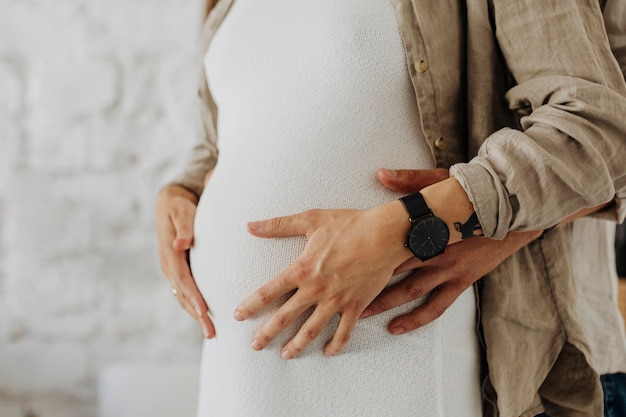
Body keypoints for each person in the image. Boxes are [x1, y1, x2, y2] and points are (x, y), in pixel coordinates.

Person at [155, 0, 626, 415]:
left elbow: (597, 130)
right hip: (240, 373)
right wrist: (182, 191)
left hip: (405, 355)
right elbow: (245, 123)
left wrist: (421, 225)